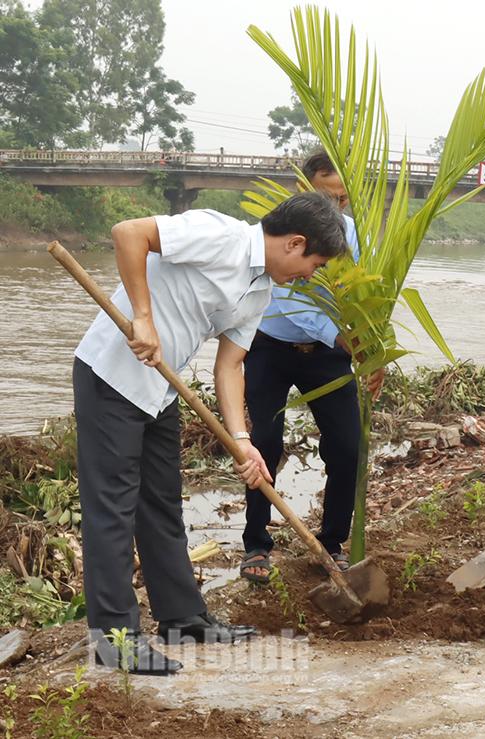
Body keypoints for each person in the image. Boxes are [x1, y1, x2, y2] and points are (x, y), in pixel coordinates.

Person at [74, 192, 347, 674]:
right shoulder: (217, 234)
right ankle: (115, 638)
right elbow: (128, 234)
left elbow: (230, 365)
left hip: (160, 388)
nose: (311, 275)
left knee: (161, 502)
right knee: (113, 507)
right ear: (295, 243)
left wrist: (242, 441)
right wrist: (142, 315)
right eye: (315, 263)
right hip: (112, 376)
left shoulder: (260, 290)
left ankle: (183, 618)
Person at [240, 150, 384, 583]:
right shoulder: (284, 237)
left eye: (342, 200)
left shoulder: (355, 237)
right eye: (326, 196)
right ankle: (256, 545)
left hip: (328, 356)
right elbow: (292, 298)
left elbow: (367, 298)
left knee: (347, 447)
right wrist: (343, 337)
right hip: (270, 346)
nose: (335, 210)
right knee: (263, 444)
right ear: (304, 190)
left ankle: (333, 543)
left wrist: (374, 350)